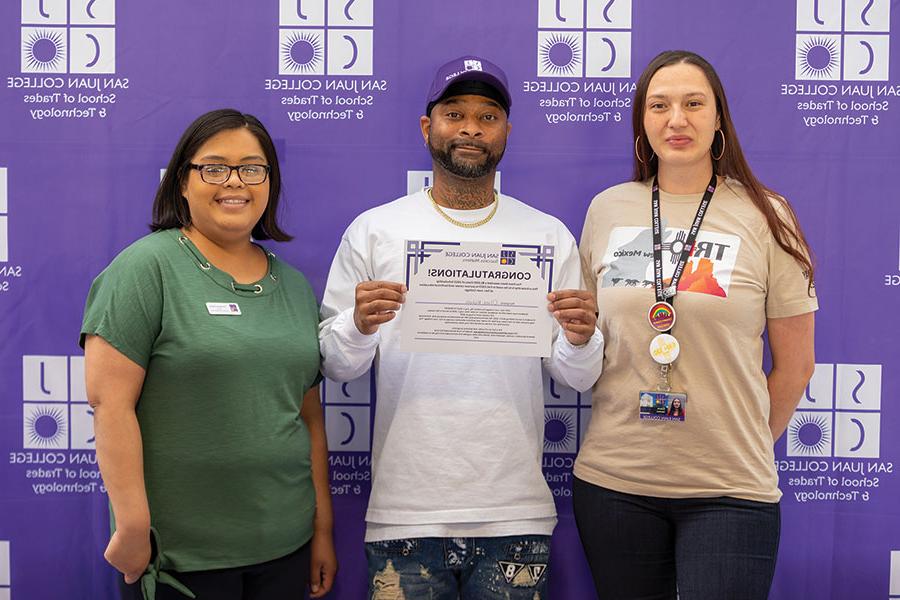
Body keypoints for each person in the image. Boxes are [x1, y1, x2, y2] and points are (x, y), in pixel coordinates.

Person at [319, 55, 604, 599]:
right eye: (455, 113)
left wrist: (581, 337)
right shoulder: (375, 230)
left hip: (513, 511)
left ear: (506, 133)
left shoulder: (547, 236)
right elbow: (337, 364)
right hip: (406, 512)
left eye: (488, 116)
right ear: (429, 127)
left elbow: (576, 378)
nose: (471, 128)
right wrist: (357, 325)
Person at [573, 50, 817, 600]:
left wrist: (739, 439)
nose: (676, 120)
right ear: (642, 120)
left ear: (718, 119)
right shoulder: (607, 210)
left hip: (729, 489)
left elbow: (797, 364)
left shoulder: (768, 215)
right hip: (615, 483)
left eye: (693, 104)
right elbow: (584, 344)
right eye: (659, 105)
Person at [81, 109, 336, 600]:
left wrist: (321, 530)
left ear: (269, 182)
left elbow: (308, 416)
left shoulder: (296, 286)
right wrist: (133, 527)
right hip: (180, 558)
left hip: (285, 548)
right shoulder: (144, 269)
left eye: (252, 168)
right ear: (182, 181)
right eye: (214, 167)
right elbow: (110, 405)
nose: (234, 182)